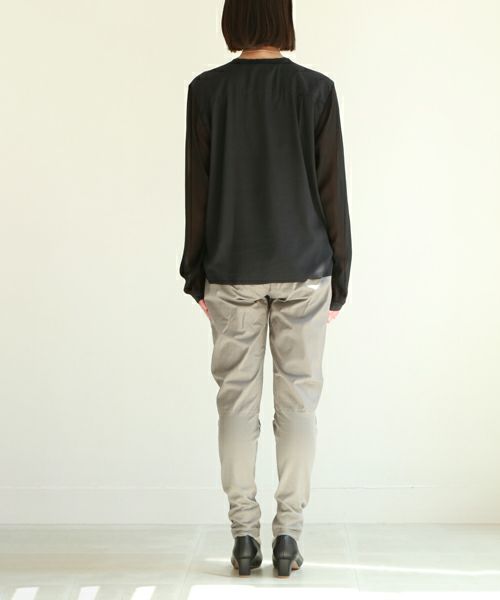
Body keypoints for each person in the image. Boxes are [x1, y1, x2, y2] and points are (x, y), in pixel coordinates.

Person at [179, 0, 352, 578]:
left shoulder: (207, 91)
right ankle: (288, 537)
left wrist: (195, 272)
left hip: (231, 269)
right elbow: (332, 189)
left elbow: (197, 190)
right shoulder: (315, 90)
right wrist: (340, 276)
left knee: (236, 404)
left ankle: (244, 538)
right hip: (306, 268)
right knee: (298, 405)